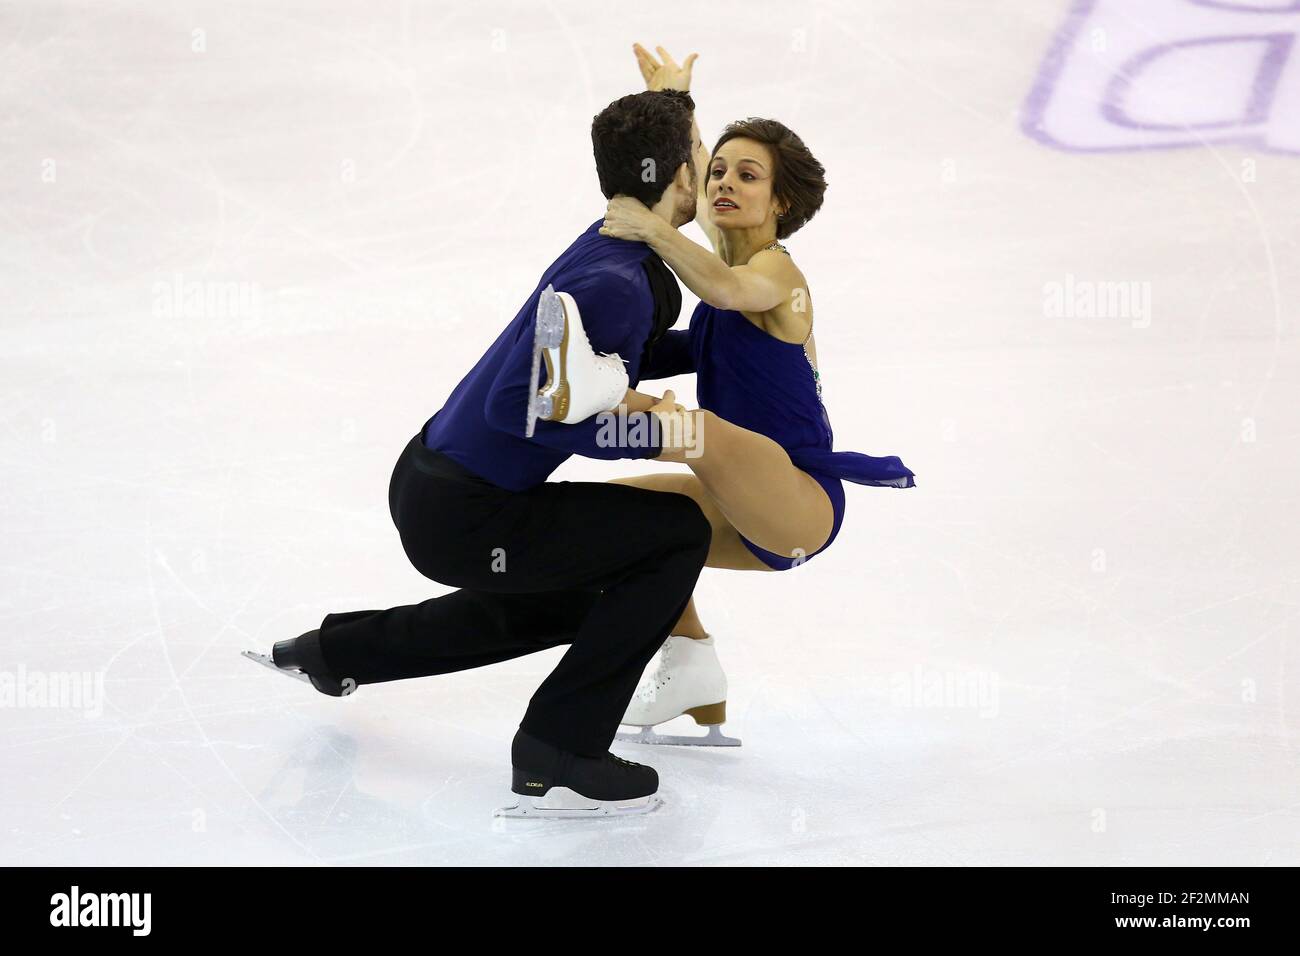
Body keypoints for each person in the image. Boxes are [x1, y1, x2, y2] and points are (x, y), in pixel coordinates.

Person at [243, 88, 717, 817]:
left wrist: (730, 351)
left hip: (446, 489)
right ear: (679, 177)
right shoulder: (616, 279)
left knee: (583, 598)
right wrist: (663, 434)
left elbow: (615, 365)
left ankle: (333, 654)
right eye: (700, 152)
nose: (710, 168)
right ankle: (561, 748)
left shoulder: (623, 248)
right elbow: (520, 408)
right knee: (676, 535)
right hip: (468, 510)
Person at [544, 45, 916, 747]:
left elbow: (721, 287)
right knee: (620, 526)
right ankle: (693, 668)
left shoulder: (777, 273)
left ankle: (600, 388)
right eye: (717, 172)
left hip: (797, 501)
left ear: (781, 201)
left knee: (698, 431)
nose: (723, 183)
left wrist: (653, 227)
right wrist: (677, 103)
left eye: (749, 177)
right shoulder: (729, 247)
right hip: (733, 502)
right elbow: (699, 195)